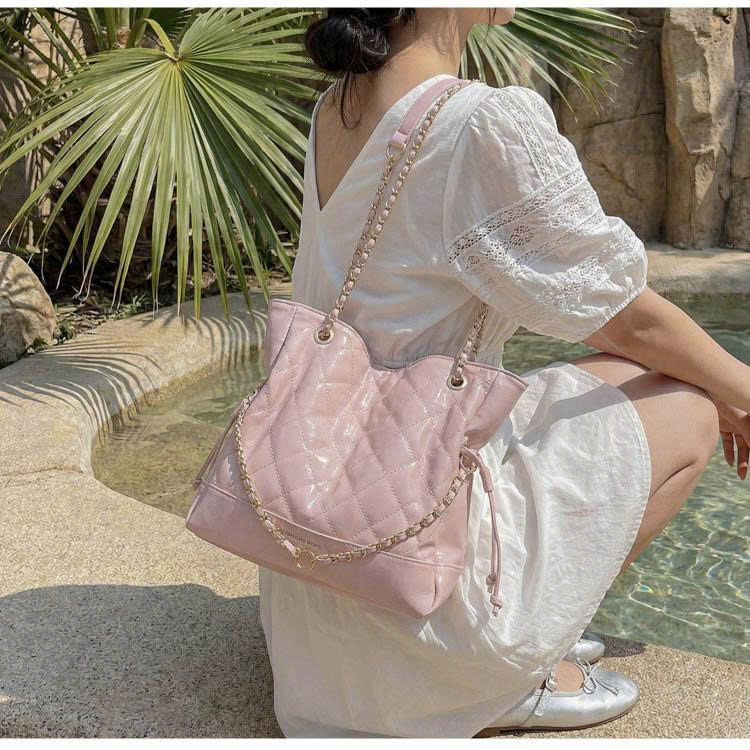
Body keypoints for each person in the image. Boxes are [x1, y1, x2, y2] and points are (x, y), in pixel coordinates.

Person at [257, 8, 750, 738]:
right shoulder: (479, 123)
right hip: (414, 590)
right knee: (691, 408)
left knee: (623, 374)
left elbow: (604, 322)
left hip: (323, 589)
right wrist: (739, 391)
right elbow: (625, 314)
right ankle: (504, 668)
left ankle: (496, 631)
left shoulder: (341, 104)